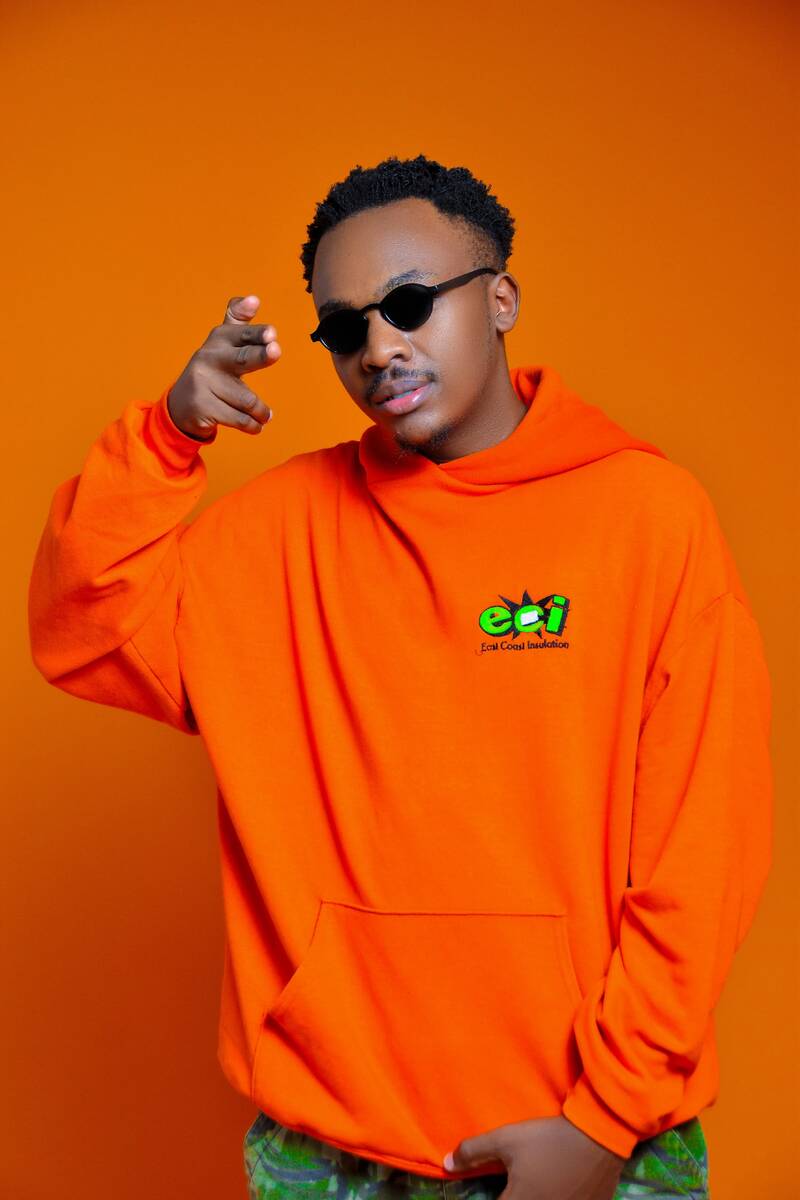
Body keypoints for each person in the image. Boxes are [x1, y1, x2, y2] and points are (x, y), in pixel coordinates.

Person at [28, 154, 773, 1200]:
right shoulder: (281, 532)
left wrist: (605, 1120)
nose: (379, 347)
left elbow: (704, 846)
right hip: (331, 1132)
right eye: (345, 328)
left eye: (411, 304)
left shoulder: (647, 520)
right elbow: (82, 624)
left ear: (501, 299)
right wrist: (166, 435)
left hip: (589, 1125)